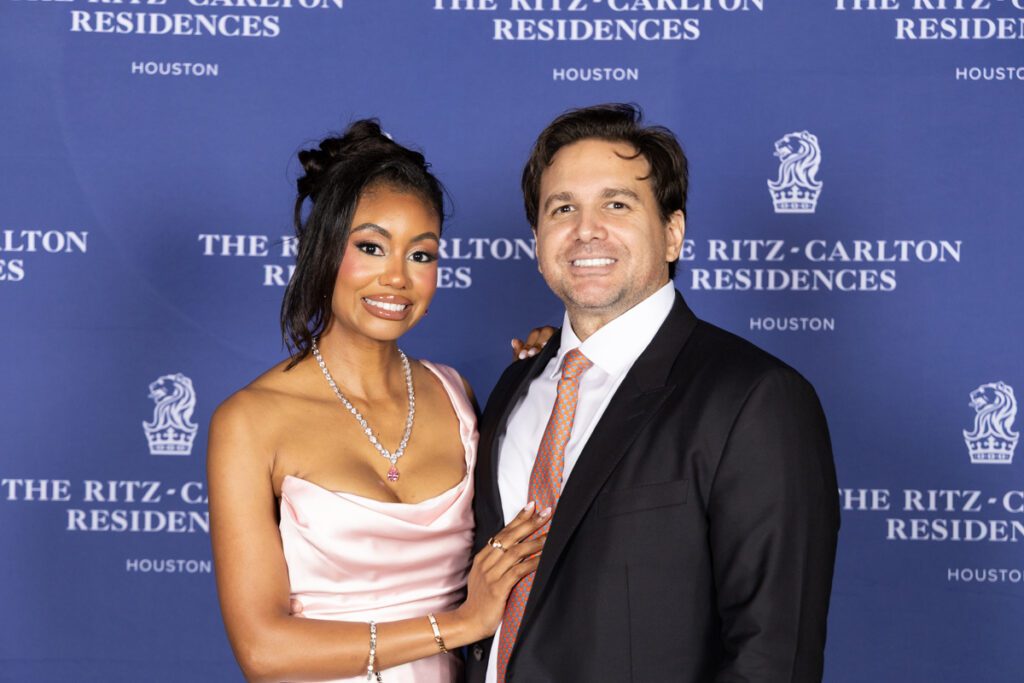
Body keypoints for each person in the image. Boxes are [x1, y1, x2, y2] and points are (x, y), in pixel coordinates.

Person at [468, 104, 841, 683]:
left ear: (672, 233)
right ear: (537, 242)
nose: (586, 229)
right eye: (562, 208)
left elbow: (774, 655)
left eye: (617, 204)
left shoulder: (755, 398)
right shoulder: (517, 384)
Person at [208, 120, 552, 683]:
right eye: (371, 247)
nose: (397, 278)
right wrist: (458, 626)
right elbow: (263, 652)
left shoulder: (456, 394)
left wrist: (552, 372)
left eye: (422, 255)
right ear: (324, 252)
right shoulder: (249, 421)